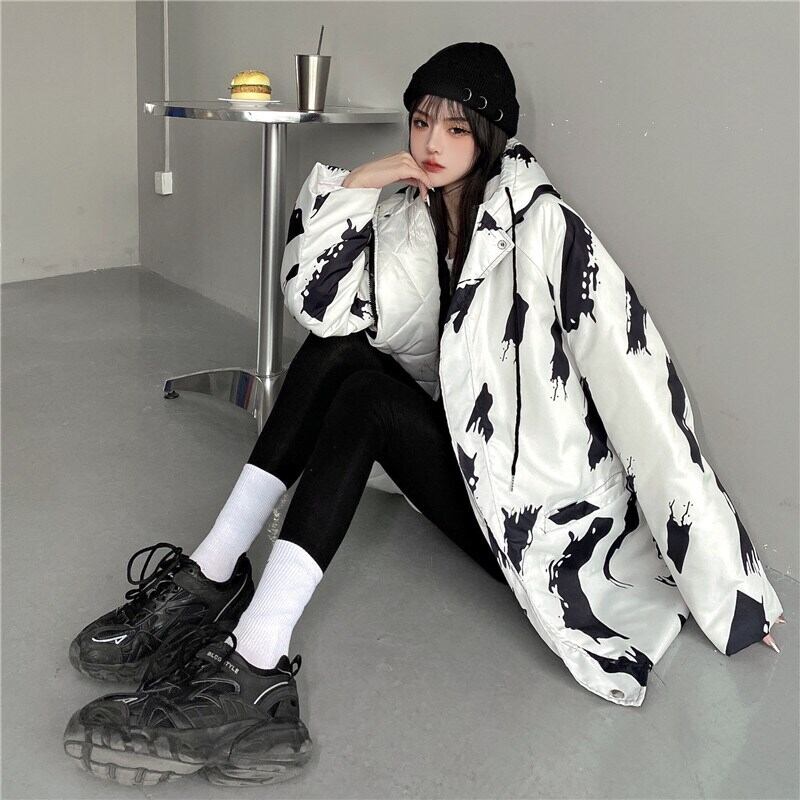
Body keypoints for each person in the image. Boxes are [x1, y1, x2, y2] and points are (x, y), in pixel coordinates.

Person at [63, 42, 785, 788]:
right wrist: (357, 187)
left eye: (456, 127)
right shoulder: (409, 214)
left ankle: (254, 665)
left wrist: (730, 587)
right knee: (337, 351)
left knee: (369, 400)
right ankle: (211, 576)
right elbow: (314, 303)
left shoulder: (547, 230)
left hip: (537, 519)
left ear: (490, 135)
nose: (432, 143)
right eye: (420, 122)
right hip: (471, 474)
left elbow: (646, 399)